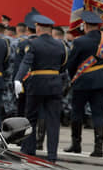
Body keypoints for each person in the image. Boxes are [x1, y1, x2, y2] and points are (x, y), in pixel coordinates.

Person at [14, 14, 67, 162]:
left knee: (31, 118)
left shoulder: (33, 44)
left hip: (37, 84)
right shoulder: (60, 44)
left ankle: (29, 151)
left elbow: (26, 63)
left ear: (38, 28)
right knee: (53, 121)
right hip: (55, 83)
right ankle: (52, 155)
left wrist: (18, 79)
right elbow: (64, 64)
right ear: (50, 29)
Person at [64, 10, 103, 157]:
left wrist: (73, 77)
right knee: (98, 113)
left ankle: (76, 144)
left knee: (77, 112)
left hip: (83, 80)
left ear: (85, 25)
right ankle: (99, 148)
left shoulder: (79, 41)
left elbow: (71, 64)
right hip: (101, 79)